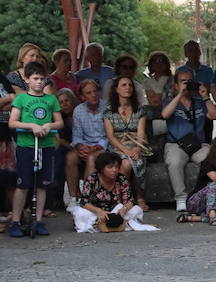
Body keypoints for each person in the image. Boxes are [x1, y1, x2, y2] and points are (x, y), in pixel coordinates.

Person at [7, 62, 61, 237]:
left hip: (45, 146)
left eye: (41, 79)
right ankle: (15, 220)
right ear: (27, 79)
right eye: (35, 79)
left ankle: (38, 220)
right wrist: (31, 126)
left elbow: (59, 122)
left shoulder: (51, 99)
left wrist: (48, 125)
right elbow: (13, 122)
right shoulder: (21, 99)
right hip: (26, 146)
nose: (39, 82)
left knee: (42, 185)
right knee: (23, 184)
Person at [161, 69, 216, 213]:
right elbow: (165, 115)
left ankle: (208, 195)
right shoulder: (170, 101)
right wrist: (180, 94)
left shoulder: (199, 102)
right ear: (176, 85)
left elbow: (214, 116)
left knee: (210, 160)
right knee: (174, 162)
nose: (187, 84)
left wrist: (206, 96)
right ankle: (181, 198)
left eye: (189, 81)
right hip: (176, 144)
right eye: (183, 81)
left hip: (198, 145)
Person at [71, 151, 156, 233]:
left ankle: (112, 224)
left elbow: (130, 201)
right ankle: (101, 224)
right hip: (97, 213)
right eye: (110, 167)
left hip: (116, 212)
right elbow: (84, 202)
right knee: (79, 213)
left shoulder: (121, 179)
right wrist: (99, 211)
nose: (114, 170)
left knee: (136, 209)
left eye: (116, 167)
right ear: (101, 169)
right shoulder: (92, 179)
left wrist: (124, 209)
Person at [103, 76, 150, 209]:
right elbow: (111, 136)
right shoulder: (108, 111)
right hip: (117, 146)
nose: (128, 87)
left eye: (130, 85)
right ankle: (131, 198)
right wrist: (127, 151)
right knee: (126, 163)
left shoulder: (139, 109)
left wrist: (137, 149)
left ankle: (130, 198)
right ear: (116, 89)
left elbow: (141, 133)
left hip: (136, 144)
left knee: (133, 160)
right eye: (123, 85)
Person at [67, 79, 108, 200]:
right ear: (82, 96)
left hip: (103, 146)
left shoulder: (107, 107)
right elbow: (77, 135)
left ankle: (87, 197)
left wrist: (95, 147)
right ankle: (73, 197)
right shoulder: (78, 110)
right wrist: (80, 146)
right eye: (89, 93)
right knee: (70, 157)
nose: (93, 95)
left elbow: (109, 135)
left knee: (91, 158)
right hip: (86, 144)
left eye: (95, 91)